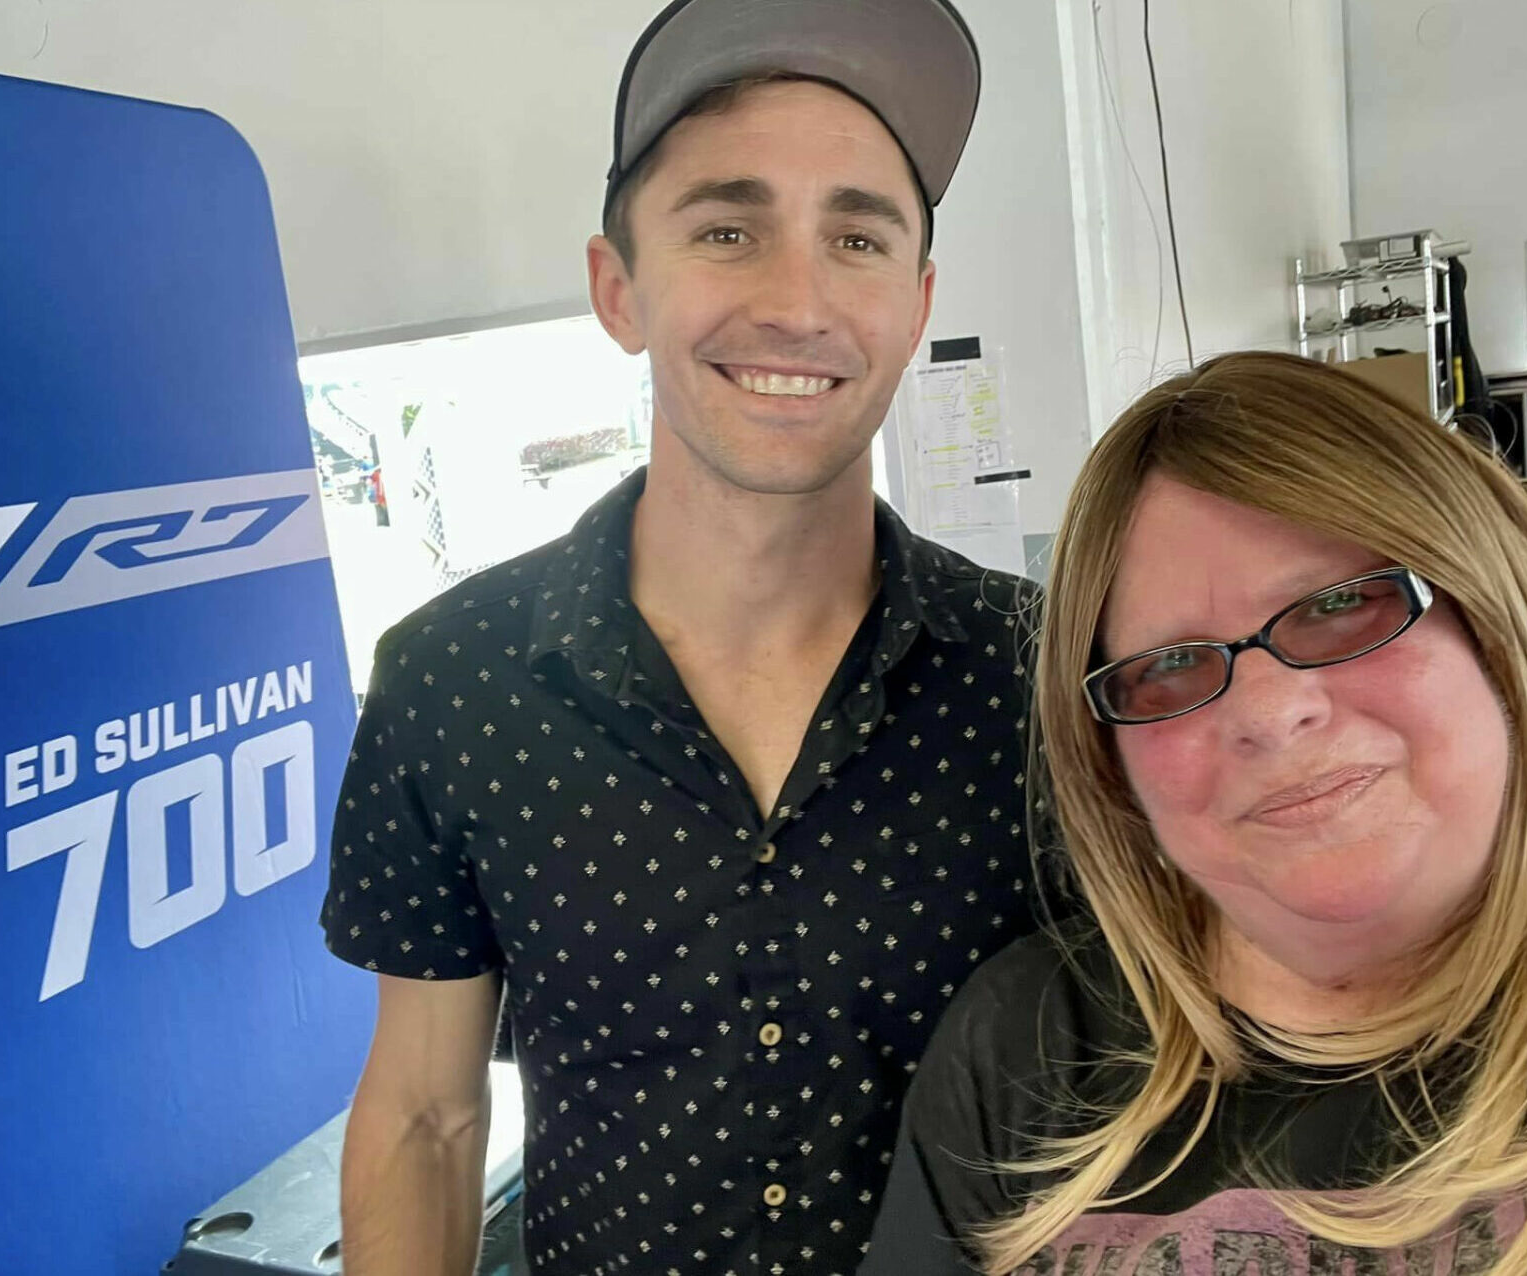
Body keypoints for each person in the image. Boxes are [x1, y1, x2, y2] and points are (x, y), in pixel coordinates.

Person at [320, 2, 1042, 1273]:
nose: (798, 300)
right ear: (617, 287)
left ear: (917, 302)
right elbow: (426, 1115)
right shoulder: (452, 681)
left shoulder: (1040, 675)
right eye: (727, 228)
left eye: (857, 236)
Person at [861, 351, 1527, 1275]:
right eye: (1171, 666)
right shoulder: (1022, 1048)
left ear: (1497, 620)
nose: (1269, 712)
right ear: (1110, 762)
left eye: (1339, 604)